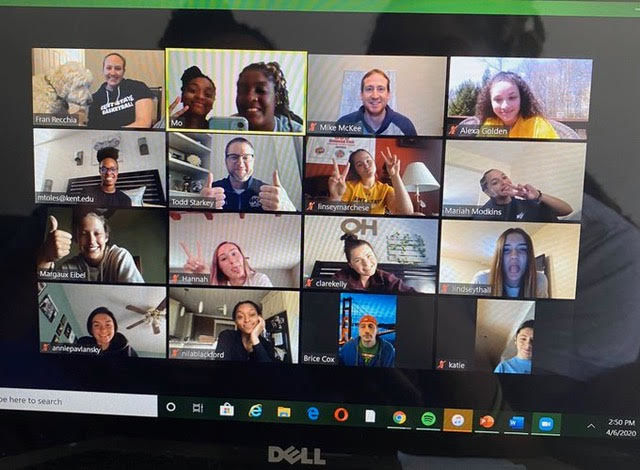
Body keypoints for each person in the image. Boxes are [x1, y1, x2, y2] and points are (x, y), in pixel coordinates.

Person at [37, 210, 144, 283]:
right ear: (77, 239)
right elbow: (41, 288)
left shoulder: (120, 257)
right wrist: (46, 257)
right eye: (84, 234)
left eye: (97, 233)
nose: (91, 241)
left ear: (106, 237)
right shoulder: (70, 267)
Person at [199, 137, 296, 212]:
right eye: (234, 157)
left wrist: (287, 207)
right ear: (226, 161)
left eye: (246, 157)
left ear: (253, 161)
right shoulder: (212, 190)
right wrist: (200, 206)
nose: (240, 164)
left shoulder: (269, 193)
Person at [468, 71, 559, 139]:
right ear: (489, 102)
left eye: (512, 98)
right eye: (498, 99)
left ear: (522, 98)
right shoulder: (490, 124)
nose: (505, 106)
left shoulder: (539, 127)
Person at [328, 147, 414, 215]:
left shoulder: (385, 189)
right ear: (356, 171)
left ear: (374, 162)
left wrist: (395, 176)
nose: (366, 165)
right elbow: (334, 219)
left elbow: (406, 213)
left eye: (368, 160)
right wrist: (335, 197)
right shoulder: (347, 187)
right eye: (360, 164)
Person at [336, 69, 416, 136]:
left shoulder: (405, 125)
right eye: (369, 89)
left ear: (388, 95)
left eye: (380, 89)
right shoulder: (343, 123)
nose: (375, 96)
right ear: (361, 95)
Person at [472, 228, 548, 298]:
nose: (514, 255)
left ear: (529, 256)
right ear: (499, 256)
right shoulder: (482, 280)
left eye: (522, 249)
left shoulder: (540, 280)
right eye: (506, 250)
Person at [475, 169, 573, 221]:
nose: (504, 182)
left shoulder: (528, 202)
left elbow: (567, 210)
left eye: (504, 177)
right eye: (495, 182)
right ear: (487, 191)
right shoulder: (484, 215)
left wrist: (538, 195)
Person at [88, 52, 154, 129]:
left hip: (134, 138)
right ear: (103, 70)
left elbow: (143, 123)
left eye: (118, 68)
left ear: (123, 71)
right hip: (105, 140)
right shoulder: (95, 99)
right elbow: (93, 130)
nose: (112, 73)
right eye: (109, 68)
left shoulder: (138, 87)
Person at [333, 234, 416, 293]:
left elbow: (411, 294)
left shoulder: (385, 278)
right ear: (351, 265)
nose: (366, 263)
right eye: (358, 260)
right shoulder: (340, 278)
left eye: (369, 256)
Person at [234, 61, 303, 132]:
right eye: (243, 90)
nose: (250, 97)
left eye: (260, 90)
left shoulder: (299, 135)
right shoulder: (225, 127)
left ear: (276, 98)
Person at [180, 240, 273, 287]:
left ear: (242, 256)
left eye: (234, 253)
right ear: (220, 268)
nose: (232, 261)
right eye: (224, 258)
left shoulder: (260, 279)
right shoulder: (216, 284)